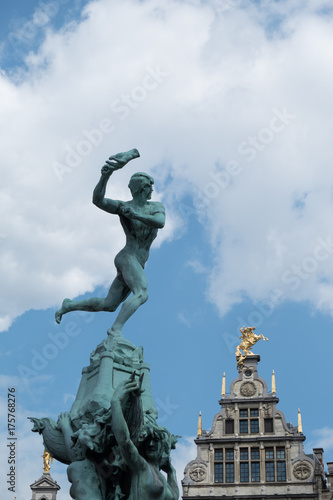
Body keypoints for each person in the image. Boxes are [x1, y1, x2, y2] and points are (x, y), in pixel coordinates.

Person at [55, 152, 165, 337]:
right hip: (127, 258)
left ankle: (69, 305)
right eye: (149, 187)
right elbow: (98, 200)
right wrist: (105, 175)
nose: (152, 191)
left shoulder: (155, 207)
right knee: (142, 293)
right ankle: (115, 330)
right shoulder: (123, 207)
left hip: (137, 262)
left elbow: (160, 222)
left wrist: (135, 215)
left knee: (109, 304)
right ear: (142, 188)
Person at [111, 377, 179, 500]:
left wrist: (171, 473)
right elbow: (125, 441)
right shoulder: (141, 465)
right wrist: (115, 402)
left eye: (156, 440)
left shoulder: (160, 476)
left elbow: (174, 498)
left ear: (164, 447)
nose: (151, 444)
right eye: (148, 440)